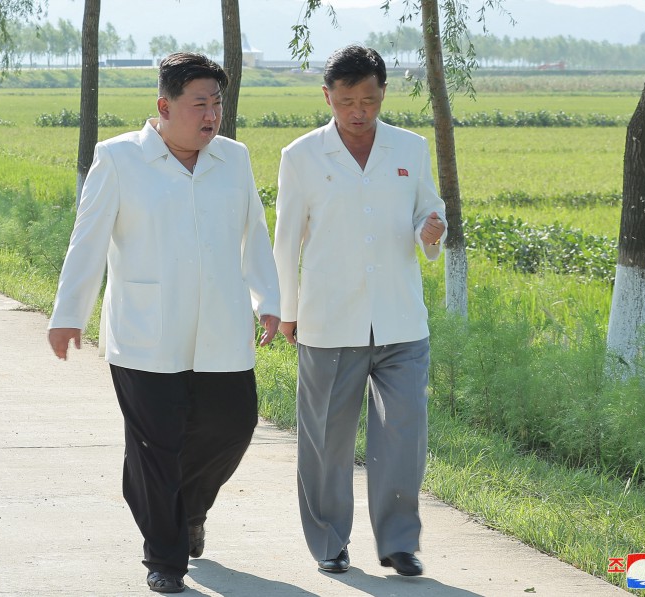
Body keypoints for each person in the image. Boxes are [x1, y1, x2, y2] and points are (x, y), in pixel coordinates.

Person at [48, 52, 280, 594]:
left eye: (217, 104)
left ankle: (188, 509)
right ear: (164, 106)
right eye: (199, 104)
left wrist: (268, 298)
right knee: (156, 446)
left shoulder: (234, 159)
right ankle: (166, 556)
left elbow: (255, 234)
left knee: (233, 426)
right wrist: (68, 315)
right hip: (145, 331)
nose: (210, 115)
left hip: (221, 326)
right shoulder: (119, 159)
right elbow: (89, 241)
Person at [272, 45, 447, 577]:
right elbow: (285, 241)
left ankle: (398, 543)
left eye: (368, 99)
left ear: (382, 95)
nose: (358, 111)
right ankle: (329, 541)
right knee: (326, 439)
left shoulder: (410, 149)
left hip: (400, 319)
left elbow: (428, 209)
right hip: (329, 319)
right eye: (346, 100)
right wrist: (286, 311)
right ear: (328, 96)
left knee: (404, 435)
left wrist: (432, 232)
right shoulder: (300, 156)